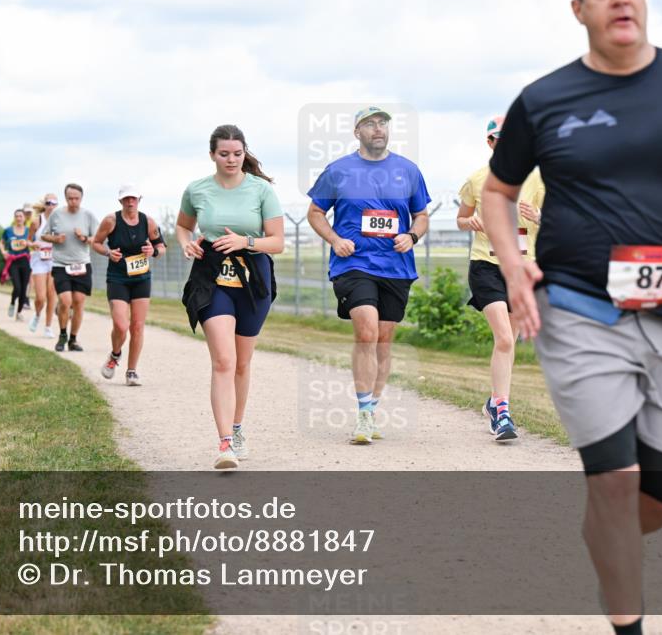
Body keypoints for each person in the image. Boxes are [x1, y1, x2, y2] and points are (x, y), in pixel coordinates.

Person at [481, 0, 662, 633]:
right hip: (578, 308)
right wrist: (514, 265)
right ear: (579, 9)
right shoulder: (543, 100)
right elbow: (497, 192)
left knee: (660, 499)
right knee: (616, 480)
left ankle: (605, 527)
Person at [306, 106, 431, 445]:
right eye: (370, 124)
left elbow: (421, 215)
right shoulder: (339, 171)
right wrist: (335, 239)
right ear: (357, 132)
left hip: (395, 266)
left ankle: (372, 409)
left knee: (384, 340)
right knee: (367, 330)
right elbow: (315, 212)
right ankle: (362, 414)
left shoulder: (408, 170)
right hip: (354, 263)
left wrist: (413, 236)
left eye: (383, 124)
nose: (378, 129)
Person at [178, 125, 284, 469]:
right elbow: (183, 226)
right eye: (224, 154)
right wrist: (186, 242)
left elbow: (277, 243)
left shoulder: (261, 190)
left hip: (254, 278)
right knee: (223, 360)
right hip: (212, 277)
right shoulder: (197, 190)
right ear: (212, 155)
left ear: (244, 153)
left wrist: (245, 242)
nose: (231, 160)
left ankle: (237, 429)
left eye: (237, 154)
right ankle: (224, 443)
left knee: (241, 362)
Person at [457, 116, 545, 441]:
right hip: (486, 265)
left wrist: (540, 216)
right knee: (505, 339)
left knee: (510, 342)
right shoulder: (477, 180)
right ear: (490, 143)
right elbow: (461, 219)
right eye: (499, 140)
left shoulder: (538, 181)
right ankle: (503, 414)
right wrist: (473, 221)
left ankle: (495, 401)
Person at [92, 185, 166, 386]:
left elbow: (161, 247)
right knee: (121, 325)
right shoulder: (111, 220)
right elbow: (96, 243)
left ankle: (131, 371)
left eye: (133, 198)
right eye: (126, 199)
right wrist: (108, 253)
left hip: (141, 278)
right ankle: (115, 355)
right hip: (117, 278)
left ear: (139, 199)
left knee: (138, 326)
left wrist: (154, 251)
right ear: (120, 201)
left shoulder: (148, 222)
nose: (130, 202)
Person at [43, 183, 97, 352]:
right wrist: (55, 239)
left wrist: (84, 238)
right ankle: (63, 334)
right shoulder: (56, 214)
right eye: (70, 198)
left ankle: (73, 339)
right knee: (65, 301)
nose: (73, 201)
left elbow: (97, 239)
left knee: (79, 302)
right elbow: (44, 235)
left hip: (81, 264)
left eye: (76, 198)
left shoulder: (88, 215)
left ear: (81, 198)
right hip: (61, 264)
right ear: (65, 198)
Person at [28, 195, 59, 338]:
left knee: (52, 294)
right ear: (45, 205)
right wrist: (33, 244)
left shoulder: (60, 221)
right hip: (39, 259)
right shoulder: (37, 221)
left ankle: (48, 327)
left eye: (54, 203)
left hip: (54, 260)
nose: (51, 205)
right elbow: (27, 241)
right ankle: (37, 314)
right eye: (49, 203)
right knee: (41, 297)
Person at [0, 209, 32, 320]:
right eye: (17, 216)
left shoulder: (29, 231)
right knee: (17, 287)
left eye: (21, 216)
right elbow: (1, 242)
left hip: (26, 262)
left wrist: (29, 243)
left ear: (24, 218)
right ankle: (13, 303)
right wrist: (3, 251)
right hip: (13, 262)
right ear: (14, 218)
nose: (18, 218)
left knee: (24, 289)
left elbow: (34, 243)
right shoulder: (8, 230)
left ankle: (19, 313)